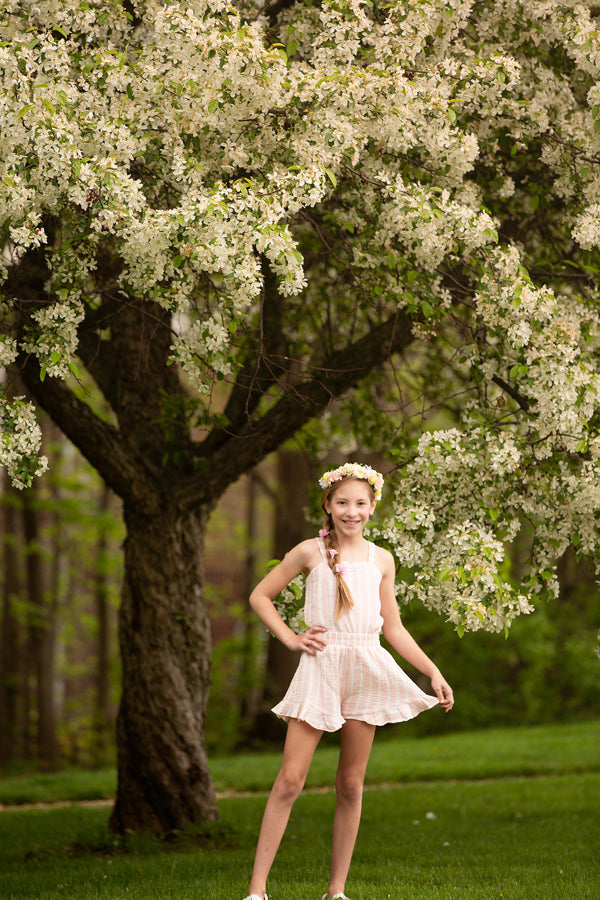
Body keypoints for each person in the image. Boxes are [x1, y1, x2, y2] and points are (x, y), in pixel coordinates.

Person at [243, 462, 454, 900]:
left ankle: (336, 891)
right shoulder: (308, 552)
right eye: (342, 502)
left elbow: (392, 628)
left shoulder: (382, 559)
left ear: (373, 507)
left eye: (360, 503)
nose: (351, 511)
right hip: (322, 667)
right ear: (327, 504)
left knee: (351, 784)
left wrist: (432, 671)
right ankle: (257, 891)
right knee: (289, 781)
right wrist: (290, 638)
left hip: (365, 668)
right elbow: (260, 596)